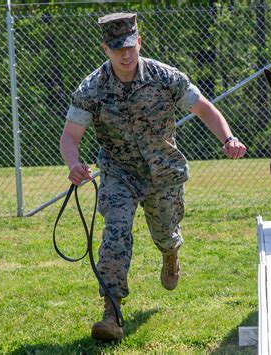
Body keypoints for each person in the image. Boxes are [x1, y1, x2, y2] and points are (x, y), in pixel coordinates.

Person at [60, 12, 246, 341]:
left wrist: (227, 138)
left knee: (165, 232)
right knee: (115, 233)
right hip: (119, 171)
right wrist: (74, 163)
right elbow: (70, 137)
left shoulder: (164, 76)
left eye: (130, 46)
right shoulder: (92, 87)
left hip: (163, 172)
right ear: (106, 49)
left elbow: (203, 108)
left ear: (139, 42)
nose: (126, 54)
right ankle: (112, 312)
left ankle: (170, 253)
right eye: (118, 49)